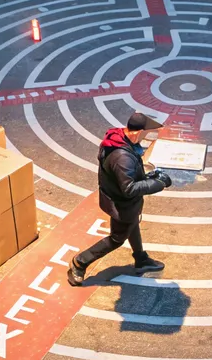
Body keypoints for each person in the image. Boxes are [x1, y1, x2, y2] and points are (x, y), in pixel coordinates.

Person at [67, 112, 172, 286]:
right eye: (145, 135)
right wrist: (159, 183)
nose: (145, 139)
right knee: (117, 238)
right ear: (137, 133)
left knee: (132, 225)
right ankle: (80, 262)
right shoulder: (122, 157)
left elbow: (125, 177)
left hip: (120, 201)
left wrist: (147, 177)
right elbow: (129, 188)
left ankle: (141, 259)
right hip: (122, 205)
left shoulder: (117, 137)